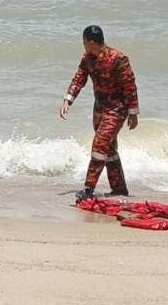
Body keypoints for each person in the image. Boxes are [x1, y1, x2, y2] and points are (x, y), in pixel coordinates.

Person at [60, 25, 140, 200]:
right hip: (99, 109)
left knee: (99, 145)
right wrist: (68, 99)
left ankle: (88, 189)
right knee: (109, 148)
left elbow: (130, 86)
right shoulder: (88, 58)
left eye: (84, 43)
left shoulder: (119, 58)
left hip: (117, 109)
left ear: (90, 42)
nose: (83, 46)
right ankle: (119, 189)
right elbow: (79, 78)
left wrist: (133, 113)